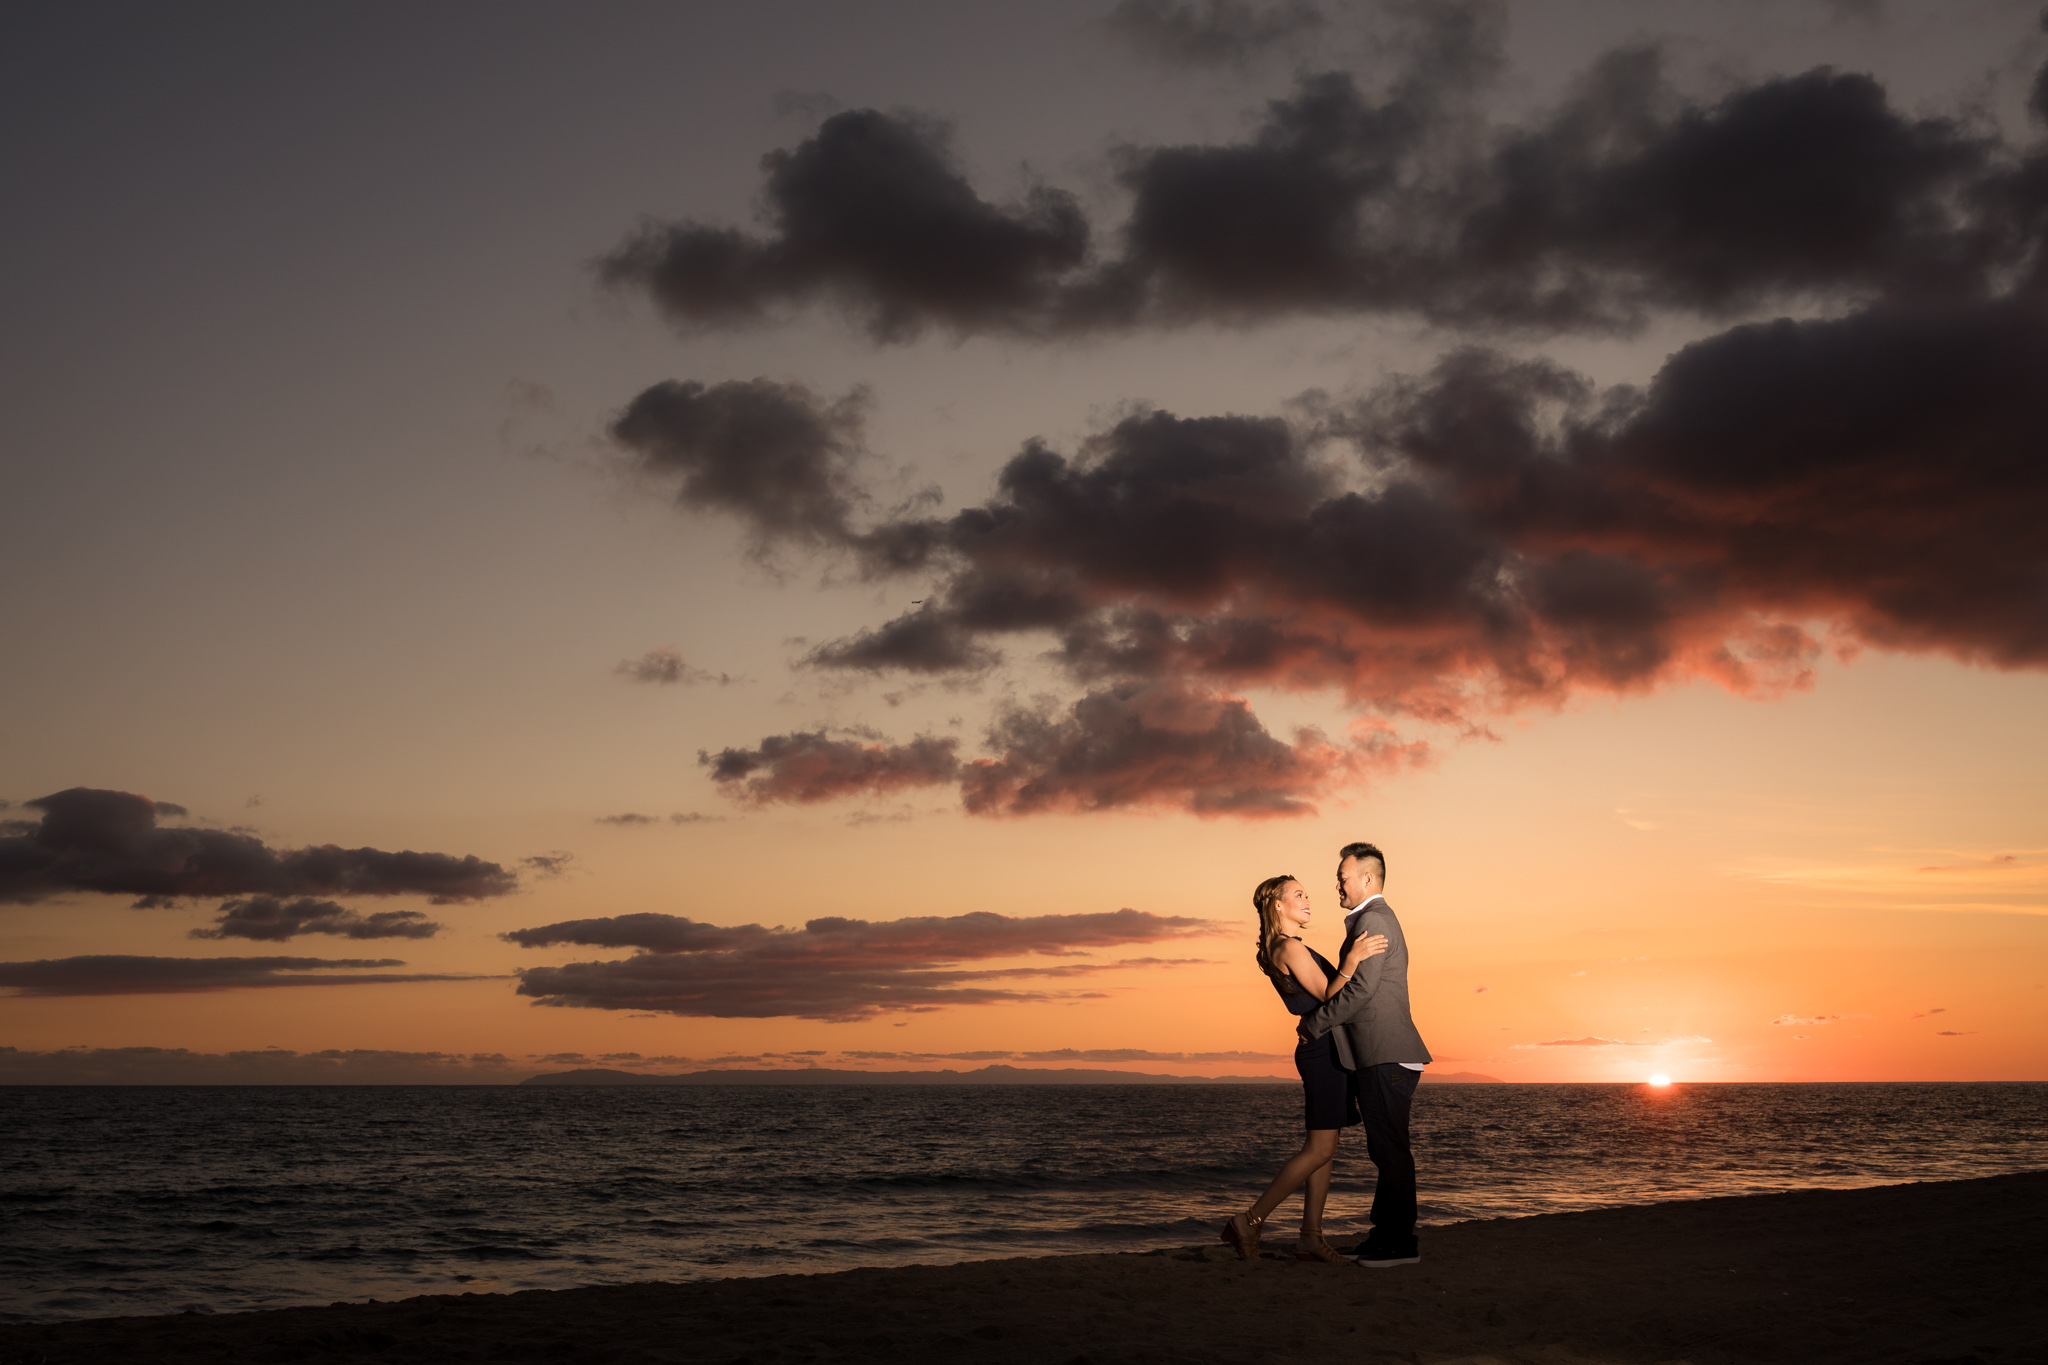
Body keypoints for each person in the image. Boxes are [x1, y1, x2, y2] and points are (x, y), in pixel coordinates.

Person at [1220, 874, 1387, 1263]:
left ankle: (1310, 1237)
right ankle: (1249, 1220)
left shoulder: (1285, 947)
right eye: (1298, 895)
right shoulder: (1289, 948)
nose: (1308, 900)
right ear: (1277, 905)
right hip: (1322, 1052)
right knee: (1319, 1148)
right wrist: (1353, 960)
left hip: (1328, 1048)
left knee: (1324, 1149)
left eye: (1307, 894)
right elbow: (1329, 994)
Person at [1296, 841, 1432, 1267]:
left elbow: (1359, 991)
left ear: (1367, 878)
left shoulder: (1373, 920)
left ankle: (1399, 1243)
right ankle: (1384, 1236)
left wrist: (1314, 1024)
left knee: (1390, 1149)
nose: (1337, 884)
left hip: (1384, 1053)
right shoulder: (1372, 919)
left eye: (1343, 877)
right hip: (1379, 1054)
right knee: (1386, 1148)